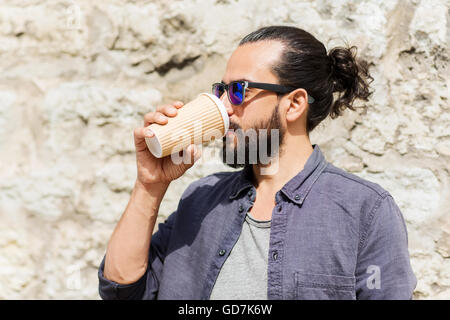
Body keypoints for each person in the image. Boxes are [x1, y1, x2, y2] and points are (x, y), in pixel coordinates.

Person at [98, 26, 417, 300]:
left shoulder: (366, 211)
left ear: (294, 104)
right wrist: (149, 184)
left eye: (238, 90)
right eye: (221, 90)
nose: (224, 106)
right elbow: (120, 289)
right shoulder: (201, 200)